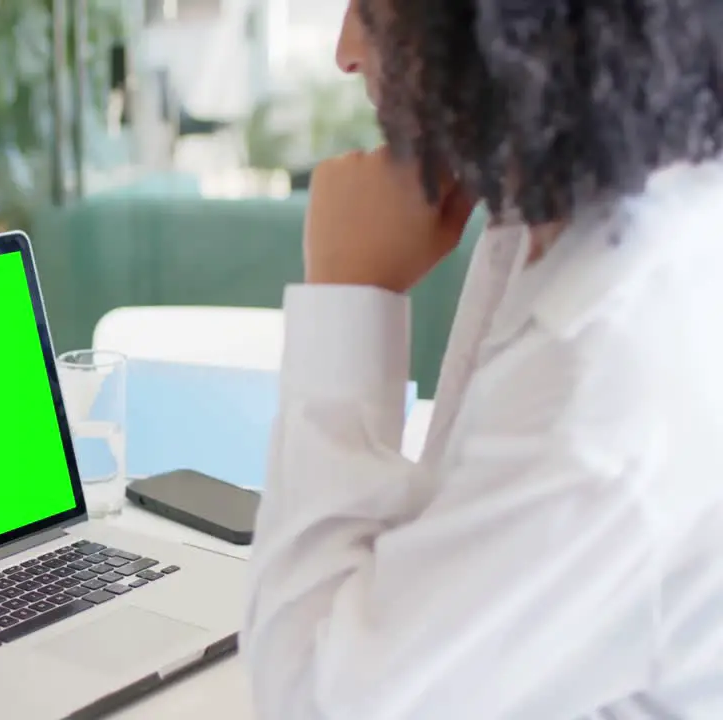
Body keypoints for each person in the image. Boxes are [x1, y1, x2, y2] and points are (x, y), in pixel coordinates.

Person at [241, 1, 723, 717]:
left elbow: (313, 701)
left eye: (373, 9)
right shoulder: (582, 208)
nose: (346, 51)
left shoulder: (597, 390)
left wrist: (348, 294)